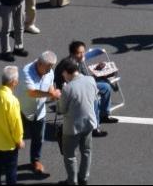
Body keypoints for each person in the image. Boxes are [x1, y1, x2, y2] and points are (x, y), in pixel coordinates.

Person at [57, 51, 101, 185]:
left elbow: (61, 110)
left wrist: (59, 98)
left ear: (66, 72)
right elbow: (94, 98)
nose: (63, 76)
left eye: (63, 74)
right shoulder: (90, 80)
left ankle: (72, 181)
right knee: (86, 151)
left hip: (72, 128)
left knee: (70, 156)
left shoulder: (67, 88)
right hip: (88, 123)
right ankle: (83, 178)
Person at [19, 51, 61, 178]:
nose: (50, 71)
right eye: (48, 68)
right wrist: (51, 95)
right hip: (22, 111)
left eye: (51, 68)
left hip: (39, 112)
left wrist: (53, 92)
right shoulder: (26, 72)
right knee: (15, 138)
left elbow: (50, 85)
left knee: (38, 138)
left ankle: (35, 160)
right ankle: (9, 160)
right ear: (40, 63)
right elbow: (32, 92)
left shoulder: (49, 71)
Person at [0, 64, 25, 186]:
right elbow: (16, 123)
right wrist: (19, 140)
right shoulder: (11, 100)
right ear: (13, 82)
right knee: (10, 170)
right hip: (8, 143)